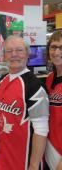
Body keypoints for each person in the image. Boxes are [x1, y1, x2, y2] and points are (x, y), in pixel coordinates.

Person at [0, 35, 49, 170]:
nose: (14, 55)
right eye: (9, 51)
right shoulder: (2, 80)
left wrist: (34, 165)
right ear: (4, 56)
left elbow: (41, 130)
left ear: (27, 54)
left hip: (23, 162)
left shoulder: (35, 86)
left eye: (19, 50)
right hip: (4, 158)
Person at [44, 30, 62, 170]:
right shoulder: (50, 78)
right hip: (49, 147)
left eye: (61, 48)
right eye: (53, 47)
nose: (56, 52)